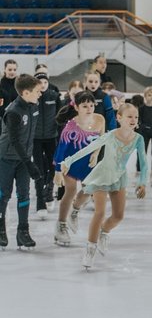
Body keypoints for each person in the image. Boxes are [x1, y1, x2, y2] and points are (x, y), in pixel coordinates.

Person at [61, 103, 147, 269]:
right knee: (99, 212)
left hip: (118, 177)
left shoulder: (138, 139)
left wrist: (142, 182)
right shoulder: (110, 135)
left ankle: (104, 231)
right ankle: (90, 249)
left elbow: (144, 163)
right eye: (129, 116)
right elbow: (89, 148)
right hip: (102, 175)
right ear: (119, 118)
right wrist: (69, 160)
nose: (133, 120)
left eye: (136, 117)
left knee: (118, 216)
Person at [51, 91, 105, 247]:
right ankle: (61, 225)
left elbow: (101, 139)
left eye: (91, 105)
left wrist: (96, 154)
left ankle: (74, 211)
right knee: (71, 191)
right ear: (76, 107)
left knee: (90, 189)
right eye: (85, 106)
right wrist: (58, 171)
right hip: (70, 162)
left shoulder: (100, 119)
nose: (89, 109)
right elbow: (61, 150)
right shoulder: (71, 126)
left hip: (87, 163)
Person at [0, 74, 42, 250]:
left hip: (24, 158)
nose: (40, 94)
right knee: (4, 194)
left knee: (24, 194)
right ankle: (1, 228)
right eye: (37, 91)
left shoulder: (33, 106)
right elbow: (15, 141)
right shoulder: (13, 111)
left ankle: (23, 232)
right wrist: (30, 164)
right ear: (26, 93)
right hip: (7, 159)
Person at [32, 71, 64, 218]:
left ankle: (49, 191)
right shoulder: (32, 97)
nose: (43, 85)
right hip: (36, 139)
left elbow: (61, 117)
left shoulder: (54, 96)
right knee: (38, 169)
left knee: (53, 166)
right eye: (40, 82)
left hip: (52, 138)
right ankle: (40, 201)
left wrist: (61, 135)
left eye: (45, 82)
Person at [0, 60, 19, 134]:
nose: (12, 72)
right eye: (10, 69)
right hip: (4, 119)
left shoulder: (20, 84)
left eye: (14, 70)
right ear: (5, 69)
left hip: (18, 118)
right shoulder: (1, 84)